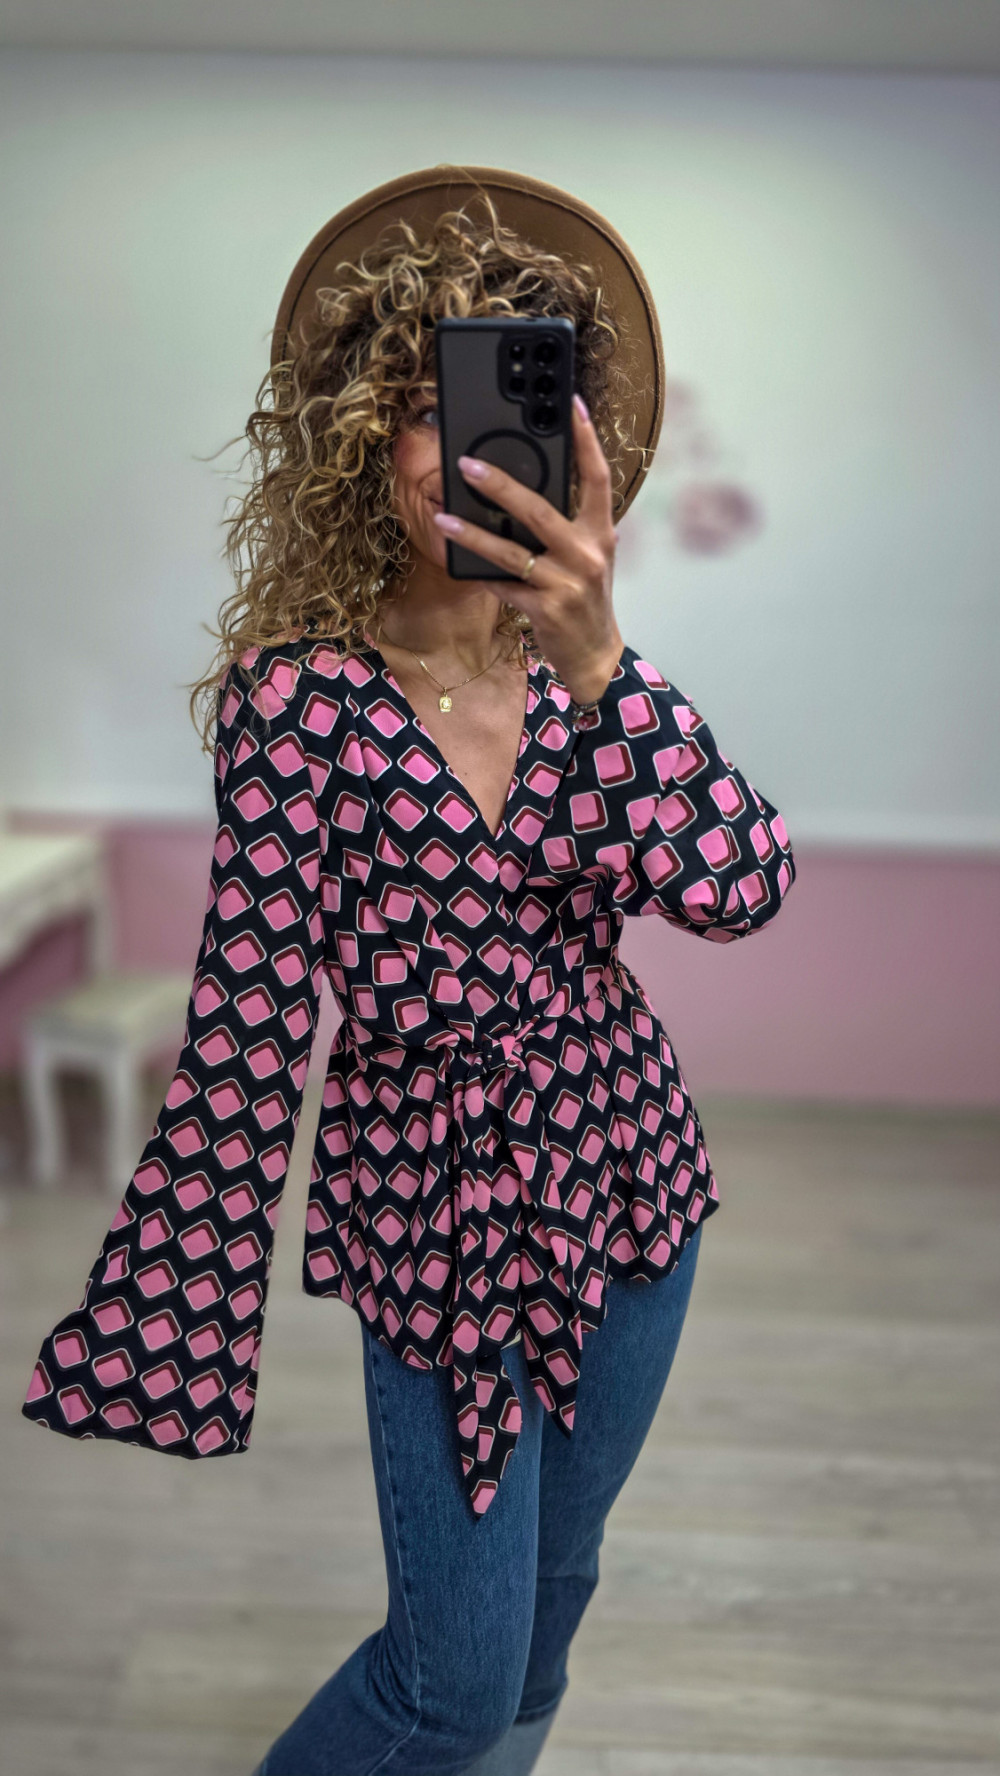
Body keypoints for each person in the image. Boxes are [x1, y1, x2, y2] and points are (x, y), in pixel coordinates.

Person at [21, 167, 797, 1776]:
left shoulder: (592, 682)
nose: (468, 449)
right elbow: (247, 1026)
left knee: (554, 1602)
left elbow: (744, 889)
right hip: (430, 1213)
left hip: (629, 1185)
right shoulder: (297, 702)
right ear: (371, 440)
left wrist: (605, 660)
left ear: (580, 447)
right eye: (432, 406)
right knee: (448, 1685)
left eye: (515, 406)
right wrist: (183, 1310)